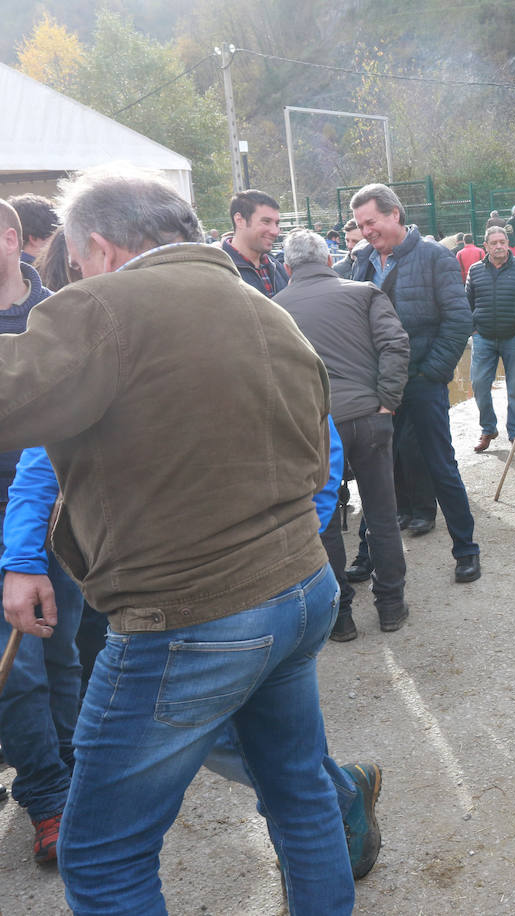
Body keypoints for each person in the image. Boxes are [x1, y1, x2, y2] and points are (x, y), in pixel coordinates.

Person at [0, 165, 353, 912]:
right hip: (299, 587)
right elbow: (319, 452)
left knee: (100, 855)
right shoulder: (263, 306)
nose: (71, 276)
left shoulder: (103, 307)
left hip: (190, 615)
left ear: (98, 246)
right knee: (301, 797)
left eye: (71, 261)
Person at [275, 229, 412, 636]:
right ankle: (391, 605)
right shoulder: (364, 292)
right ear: (329, 258)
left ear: (287, 267)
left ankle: (340, 616)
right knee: (382, 512)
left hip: (316, 424)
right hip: (370, 415)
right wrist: (387, 400)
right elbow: (396, 343)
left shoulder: (274, 308)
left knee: (326, 521)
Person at [0, 198, 82, 866]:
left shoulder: (59, 314)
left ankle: (75, 770)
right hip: (7, 524)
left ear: (11, 238)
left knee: (63, 652)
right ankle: (49, 799)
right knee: (17, 665)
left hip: (59, 513)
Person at [350, 182, 482, 584]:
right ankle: (366, 554)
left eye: (370, 222)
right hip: (378, 387)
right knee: (377, 473)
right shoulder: (363, 262)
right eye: (359, 225)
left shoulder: (434, 258)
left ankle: (466, 551)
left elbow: (459, 320)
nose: (366, 231)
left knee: (441, 467)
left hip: (422, 382)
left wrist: (431, 373)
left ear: (395, 214)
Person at [467, 225, 515, 453]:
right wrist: (474, 330)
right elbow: (467, 303)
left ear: (508, 243)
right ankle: (488, 429)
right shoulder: (475, 270)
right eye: (494, 242)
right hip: (483, 338)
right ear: (485, 246)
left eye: (502, 241)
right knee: (478, 384)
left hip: (514, 338)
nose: (499, 246)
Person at [222, 189, 287, 297]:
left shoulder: (276, 268)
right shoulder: (220, 271)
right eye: (266, 221)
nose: (275, 231)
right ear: (239, 220)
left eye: (277, 223)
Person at [6, 194, 59, 264]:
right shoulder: (45, 272)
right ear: (34, 238)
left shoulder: (7, 268)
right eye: (55, 237)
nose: (59, 244)